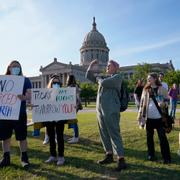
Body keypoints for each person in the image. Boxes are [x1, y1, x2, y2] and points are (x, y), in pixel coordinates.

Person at [86, 59, 127, 171]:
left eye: (109, 66)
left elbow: (103, 83)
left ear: (115, 67)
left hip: (111, 109)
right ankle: (109, 155)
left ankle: (121, 160)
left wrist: (98, 78)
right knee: (103, 132)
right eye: (107, 66)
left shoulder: (117, 77)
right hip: (100, 109)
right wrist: (91, 66)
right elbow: (89, 76)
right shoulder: (104, 78)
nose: (107, 67)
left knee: (114, 133)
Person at [0, 60, 32, 168]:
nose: (15, 69)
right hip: (5, 114)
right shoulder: (2, 80)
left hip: (20, 113)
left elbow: (29, 95)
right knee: (5, 137)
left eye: (18, 67)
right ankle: (6, 158)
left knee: (22, 137)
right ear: (9, 68)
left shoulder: (25, 80)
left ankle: (24, 158)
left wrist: (25, 97)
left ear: (20, 69)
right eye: (13, 67)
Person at [137, 73, 171, 164]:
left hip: (160, 118)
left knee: (162, 138)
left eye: (150, 78)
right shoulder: (145, 90)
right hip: (149, 118)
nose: (148, 79)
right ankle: (151, 155)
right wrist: (140, 115)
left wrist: (164, 103)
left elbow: (168, 99)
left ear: (155, 79)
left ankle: (166, 157)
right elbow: (141, 103)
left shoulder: (162, 89)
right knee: (149, 138)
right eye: (147, 78)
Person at [44, 75, 65, 166]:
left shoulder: (64, 93)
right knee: (51, 137)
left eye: (58, 83)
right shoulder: (45, 94)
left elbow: (68, 104)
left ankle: (61, 156)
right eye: (54, 83)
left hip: (60, 118)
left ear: (60, 84)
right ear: (50, 84)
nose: (56, 84)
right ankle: (52, 155)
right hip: (49, 118)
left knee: (60, 137)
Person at [66, 74, 81, 144]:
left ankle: (76, 137)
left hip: (73, 106)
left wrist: (76, 105)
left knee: (74, 121)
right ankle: (75, 136)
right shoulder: (75, 86)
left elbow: (77, 97)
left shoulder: (73, 87)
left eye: (67, 78)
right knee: (72, 121)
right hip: (73, 106)